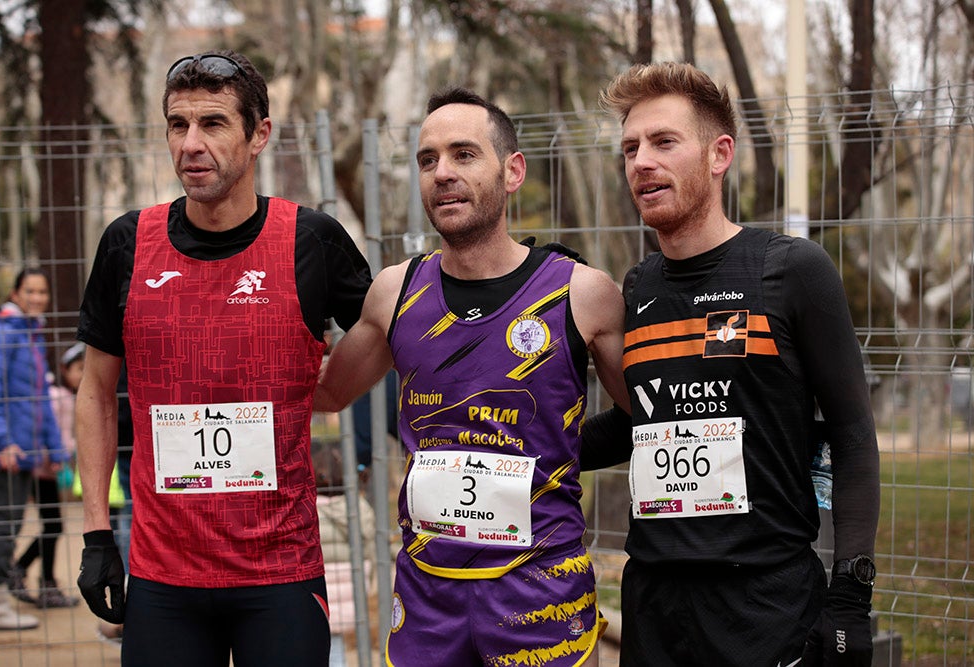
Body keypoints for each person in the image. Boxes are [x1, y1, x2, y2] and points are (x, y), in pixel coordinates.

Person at [73, 49, 371, 666]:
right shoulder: (128, 243)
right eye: (177, 125)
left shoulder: (310, 239)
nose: (191, 143)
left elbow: (395, 327)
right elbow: (97, 393)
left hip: (280, 570)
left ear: (259, 134)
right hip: (163, 574)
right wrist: (97, 533)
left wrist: (330, 392)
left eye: (212, 124)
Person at [315, 87, 630, 667]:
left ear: (512, 171)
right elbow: (329, 394)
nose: (442, 173)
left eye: (464, 154)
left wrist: (557, 454)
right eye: (428, 159)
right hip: (427, 597)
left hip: (540, 592)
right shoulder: (395, 292)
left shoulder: (582, 294)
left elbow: (647, 418)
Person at [581, 62, 881, 666]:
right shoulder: (636, 287)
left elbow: (852, 435)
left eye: (664, 142)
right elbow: (640, 423)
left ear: (720, 154)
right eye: (630, 148)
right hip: (653, 607)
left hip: (764, 607)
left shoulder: (793, 270)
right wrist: (524, 448)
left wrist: (850, 595)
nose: (641, 161)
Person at [0, 268, 70, 630]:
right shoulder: (4, 334)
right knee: (4, 525)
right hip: (5, 452)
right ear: (15, 294)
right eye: (30, 290)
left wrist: (54, 448)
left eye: (42, 291)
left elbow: (40, 400)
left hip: (26, 450)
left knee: (13, 523)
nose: (37, 297)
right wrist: (4, 441)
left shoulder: (31, 336)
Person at [8, 341, 84, 610]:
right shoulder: (55, 396)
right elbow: (42, 430)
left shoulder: (71, 396)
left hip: (53, 468)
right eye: (78, 369)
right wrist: (53, 456)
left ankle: (29, 574)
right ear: (64, 369)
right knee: (53, 526)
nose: (82, 374)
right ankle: (30, 575)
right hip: (43, 470)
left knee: (52, 526)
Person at [312, 439, 376, 667]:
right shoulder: (357, 508)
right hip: (353, 588)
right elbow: (370, 542)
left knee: (322, 647)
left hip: (320, 589)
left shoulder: (309, 508)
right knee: (340, 648)